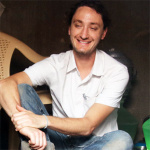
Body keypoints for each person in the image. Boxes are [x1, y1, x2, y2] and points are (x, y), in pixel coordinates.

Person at [0, 0, 133, 149]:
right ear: (69, 29)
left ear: (103, 33)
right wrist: (26, 127)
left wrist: (42, 120)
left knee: (123, 140)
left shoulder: (117, 71)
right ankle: (39, 144)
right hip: (57, 142)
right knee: (21, 88)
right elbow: (5, 84)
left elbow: (88, 125)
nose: (84, 34)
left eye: (93, 28)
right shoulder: (56, 63)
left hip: (96, 144)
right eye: (78, 25)